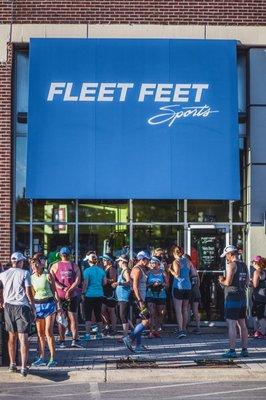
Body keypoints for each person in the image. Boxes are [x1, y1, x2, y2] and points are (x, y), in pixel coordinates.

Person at [0, 252, 35, 377]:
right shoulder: (25, 273)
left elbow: (1, 290)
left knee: (11, 337)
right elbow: (28, 291)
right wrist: (32, 305)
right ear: (20, 262)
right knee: (23, 337)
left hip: (8, 306)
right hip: (22, 306)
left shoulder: (3, 274)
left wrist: (2, 302)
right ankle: (24, 367)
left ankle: (12, 363)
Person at [219, 245, 249, 358]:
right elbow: (247, 282)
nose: (226, 258)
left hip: (232, 296)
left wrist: (221, 280)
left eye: (226, 255)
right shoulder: (244, 265)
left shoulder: (232, 265)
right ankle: (244, 349)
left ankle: (232, 350)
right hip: (242, 296)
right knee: (242, 324)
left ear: (230, 254)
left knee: (231, 324)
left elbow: (228, 282)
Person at [30, 254, 59, 367]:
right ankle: (41, 357)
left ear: (41, 264)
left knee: (48, 332)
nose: (34, 266)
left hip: (49, 305)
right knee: (40, 334)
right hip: (38, 306)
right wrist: (32, 307)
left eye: (36, 263)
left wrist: (59, 305)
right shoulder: (31, 277)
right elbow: (32, 294)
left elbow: (55, 291)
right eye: (33, 264)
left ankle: (53, 358)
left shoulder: (48, 275)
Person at [50, 247, 81, 348]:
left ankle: (62, 341)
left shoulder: (55, 266)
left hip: (61, 295)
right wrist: (69, 290)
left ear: (60, 254)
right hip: (69, 295)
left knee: (62, 318)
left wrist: (64, 289)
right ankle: (73, 340)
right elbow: (77, 281)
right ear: (70, 254)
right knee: (72, 319)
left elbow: (52, 281)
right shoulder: (74, 265)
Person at [123, 251, 150, 353]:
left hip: (141, 297)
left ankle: (138, 346)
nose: (148, 262)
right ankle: (129, 338)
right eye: (147, 260)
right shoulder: (137, 269)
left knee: (139, 321)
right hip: (138, 299)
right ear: (142, 259)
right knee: (146, 320)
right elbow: (134, 286)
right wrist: (139, 300)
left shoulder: (142, 269)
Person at [82, 253, 107, 340]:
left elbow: (86, 283)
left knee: (88, 315)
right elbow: (104, 282)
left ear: (89, 261)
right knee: (98, 314)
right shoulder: (101, 270)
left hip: (89, 295)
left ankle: (88, 335)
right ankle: (99, 334)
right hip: (99, 294)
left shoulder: (87, 271)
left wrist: (83, 292)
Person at [169, 246, 192, 338]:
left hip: (179, 286)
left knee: (178, 309)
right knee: (185, 309)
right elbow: (193, 273)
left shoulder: (176, 262)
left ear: (174, 253)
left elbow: (177, 275)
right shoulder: (188, 261)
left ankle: (180, 330)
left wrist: (170, 270)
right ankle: (184, 328)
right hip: (188, 286)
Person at [146, 256, 168, 338]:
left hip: (161, 294)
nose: (152, 264)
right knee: (151, 313)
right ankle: (151, 331)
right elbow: (144, 284)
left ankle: (157, 330)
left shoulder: (163, 272)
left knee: (160, 313)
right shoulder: (148, 272)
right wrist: (151, 284)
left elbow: (167, 284)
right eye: (151, 262)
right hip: (150, 293)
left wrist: (161, 284)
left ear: (158, 263)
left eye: (154, 262)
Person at [112, 254, 131, 338]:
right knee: (123, 315)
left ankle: (125, 335)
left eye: (119, 261)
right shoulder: (123, 270)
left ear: (123, 262)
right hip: (120, 298)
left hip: (124, 297)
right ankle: (132, 331)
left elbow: (128, 282)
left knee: (123, 316)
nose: (118, 263)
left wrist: (118, 283)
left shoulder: (126, 270)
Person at [102, 255, 117, 335]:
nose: (103, 261)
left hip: (110, 292)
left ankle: (114, 328)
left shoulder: (112, 269)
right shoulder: (105, 268)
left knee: (111, 311)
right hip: (104, 292)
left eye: (104, 260)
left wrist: (104, 280)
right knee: (102, 310)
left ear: (109, 261)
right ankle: (107, 325)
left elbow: (113, 280)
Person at [251, 255, 266, 338]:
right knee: (256, 313)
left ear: (256, 263)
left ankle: (262, 332)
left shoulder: (257, 272)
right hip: (263, 296)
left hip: (258, 296)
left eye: (253, 262)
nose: (252, 263)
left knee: (259, 314)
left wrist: (251, 281)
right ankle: (257, 330)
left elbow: (255, 285)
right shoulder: (264, 271)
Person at [187, 254, 201, 334]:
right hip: (196, 291)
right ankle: (198, 327)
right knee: (195, 310)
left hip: (189, 291)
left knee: (186, 309)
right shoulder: (194, 268)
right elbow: (198, 282)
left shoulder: (187, 269)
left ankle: (184, 327)